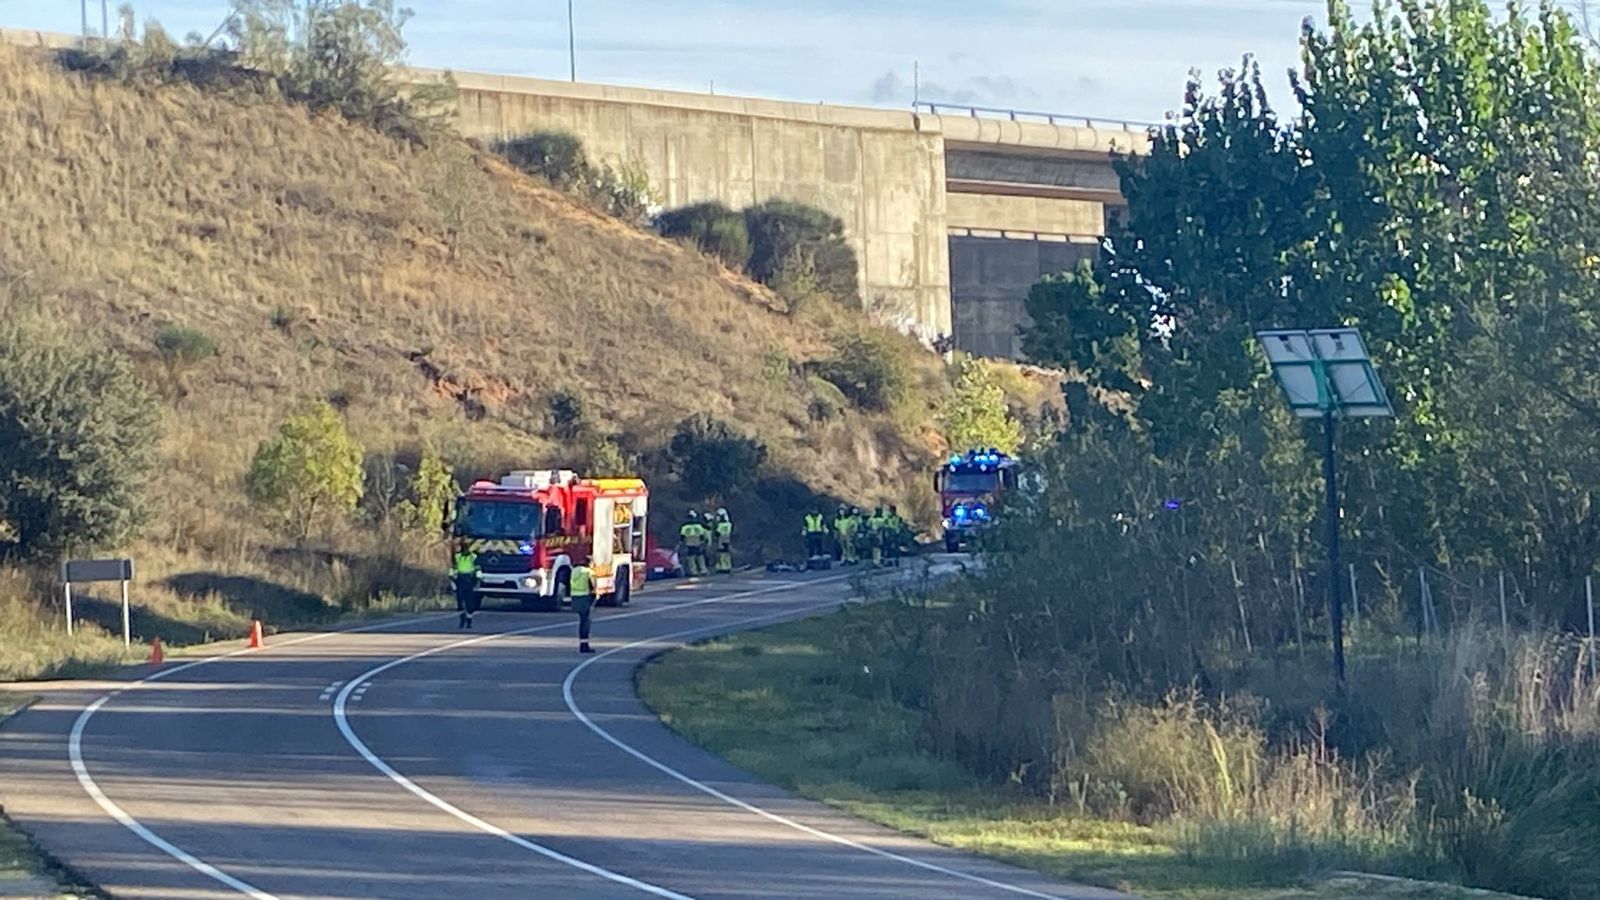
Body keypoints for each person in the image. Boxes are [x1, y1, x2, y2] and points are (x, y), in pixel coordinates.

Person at [569, 560, 596, 653]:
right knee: (586, 622)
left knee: (582, 621)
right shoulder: (588, 572)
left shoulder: (574, 571)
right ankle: (584, 645)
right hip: (584, 598)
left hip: (575, 597)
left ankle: (583, 644)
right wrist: (594, 596)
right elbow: (592, 585)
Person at [452, 546, 480, 630]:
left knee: (470, 603)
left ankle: (469, 621)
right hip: (460, 580)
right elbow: (454, 567)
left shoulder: (473, 557)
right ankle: (462, 618)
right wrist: (452, 579)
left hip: (470, 580)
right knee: (460, 602)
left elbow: (477, 568)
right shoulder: (458, 556)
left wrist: (478, 580)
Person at [680, 511, 708, 576]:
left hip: (689, 543)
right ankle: (703, 570)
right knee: (700, 556)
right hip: (698, 542)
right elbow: (702, 534)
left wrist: (681, 542)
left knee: (691, 557)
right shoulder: (699, 526)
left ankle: (694, 571)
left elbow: (682, 536)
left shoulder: (685, 526)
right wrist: (703, 542)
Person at [713, 508, 734, 574]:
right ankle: (728, 566)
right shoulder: (729, 524)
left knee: (721, 554)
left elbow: (717, 533)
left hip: (721, 540)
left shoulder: (720, 525)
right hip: (727, 539)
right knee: (727, 554)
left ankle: (723, 567)